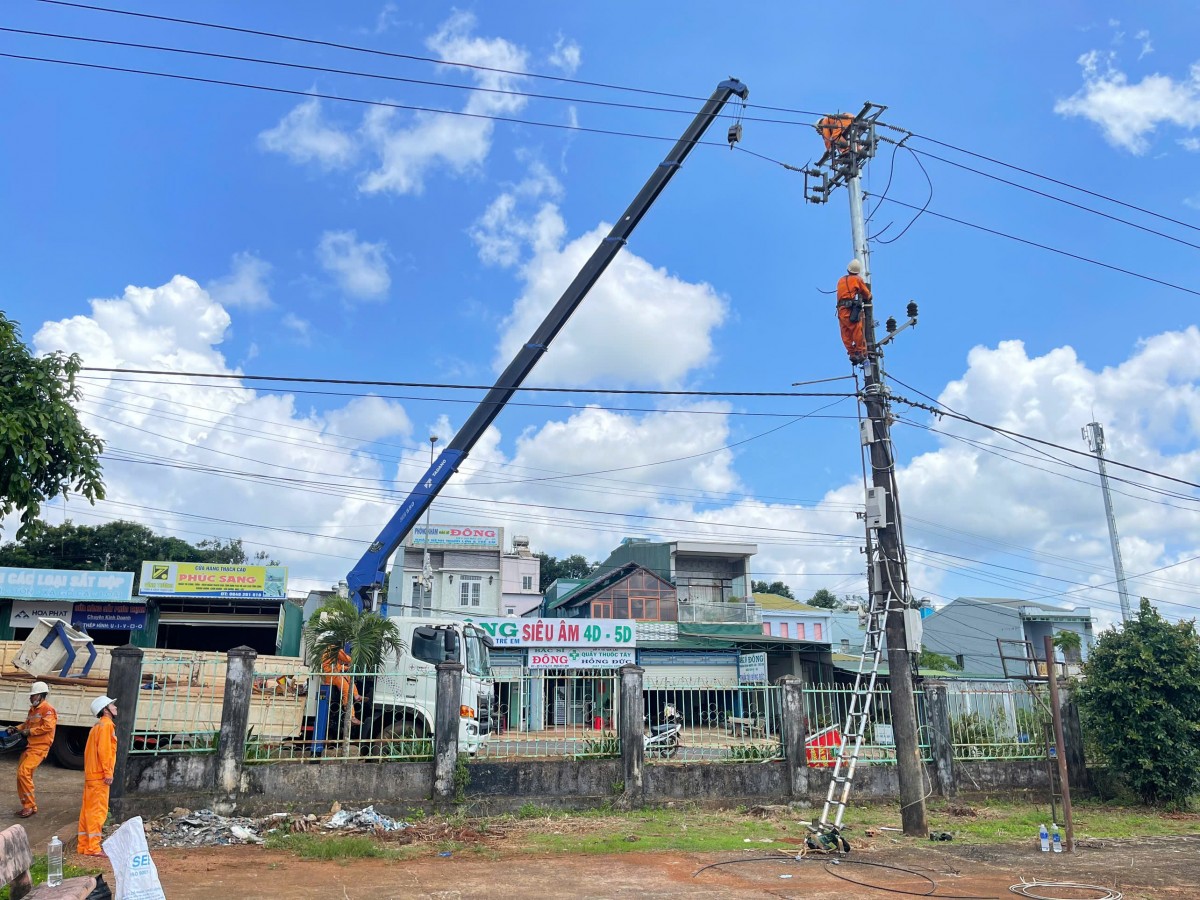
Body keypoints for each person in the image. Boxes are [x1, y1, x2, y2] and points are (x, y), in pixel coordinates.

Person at [9, 682, 57, 818]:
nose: (31, 698)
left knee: (24, 772)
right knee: (21, 775)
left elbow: (48, 727)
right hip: (30, 747)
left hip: (39, 747)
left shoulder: (47, 709)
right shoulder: (33, 710)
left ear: (41, 696)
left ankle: (29, 806)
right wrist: (17, 728)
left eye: (33, 695)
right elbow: (27, 724)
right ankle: (28, 805)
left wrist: (30, 731)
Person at [77, 695, 117, 857]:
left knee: (87, 810)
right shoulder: (107, 726)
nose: (115, 707)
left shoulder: (97, 726)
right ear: (105, 710)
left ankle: (83, 845)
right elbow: (105, 751)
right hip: (100, 776)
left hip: (91, 775)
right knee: (97, 811)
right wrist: (108, 772)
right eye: (112, 705)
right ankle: (93, 847)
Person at [835, 259, 872, 364]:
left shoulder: (840, 280)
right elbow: (867, 294)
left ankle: (852, 353)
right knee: (857, 330)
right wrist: (868, 296)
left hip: (841, 310)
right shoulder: (857, 279)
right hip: (849, 310)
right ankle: (861, 352)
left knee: (845, 333)